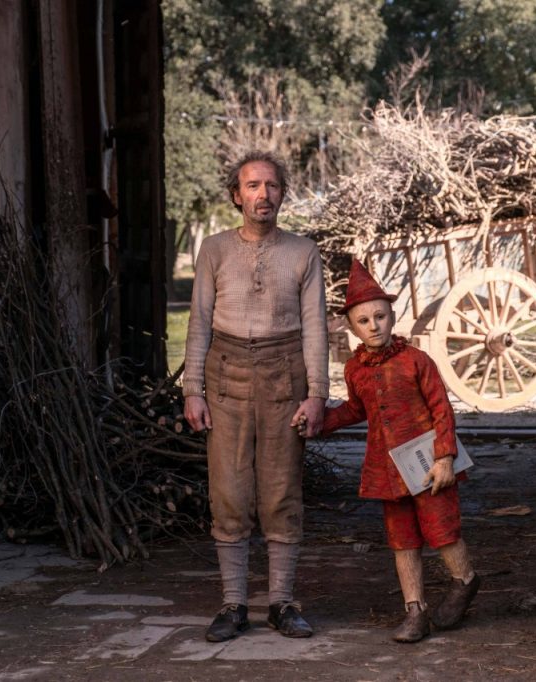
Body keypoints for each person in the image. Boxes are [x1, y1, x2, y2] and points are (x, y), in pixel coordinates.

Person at [183, 150, 329, 642]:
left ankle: (282, 603)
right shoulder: (215, 250)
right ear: (236, 195)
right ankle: (233, 605)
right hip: (226, 378)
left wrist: (317, 394)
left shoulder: (303, 252)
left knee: (282, 491)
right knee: (228, 492)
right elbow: (199, 322)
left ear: (283, 194)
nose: (263, 194)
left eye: (272, 185)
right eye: (252, 186)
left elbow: (315, 327)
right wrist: (193, 390)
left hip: (284, 378)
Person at [321, 259, 480, 643]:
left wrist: (444, 458)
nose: (373, 326)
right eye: (363, 321)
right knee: (402, 538)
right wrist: (319, 422)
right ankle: (415, 611)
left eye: (380, 316)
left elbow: (442, 409)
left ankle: (464, 580)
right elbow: (356, 409)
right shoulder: (354, 370)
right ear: (352, 327)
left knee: (442, 530)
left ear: (392, 317)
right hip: (389, 470)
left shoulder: (416, 361)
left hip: (428, 466)